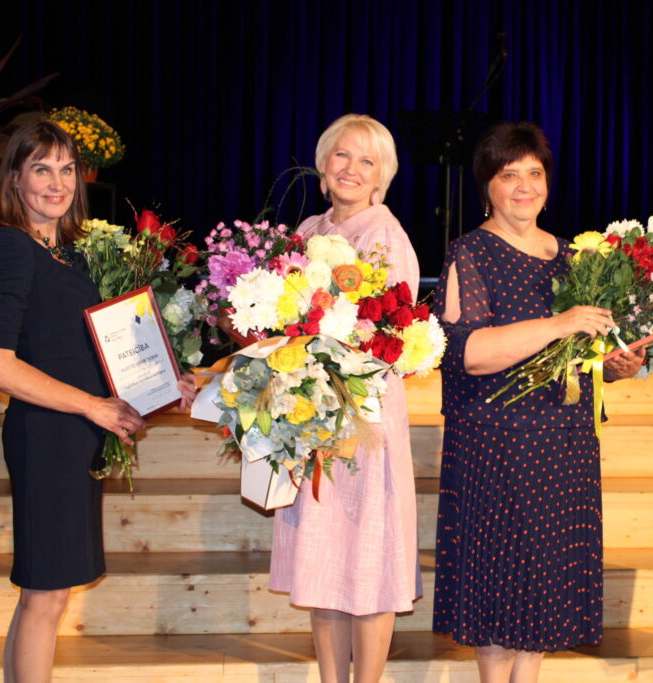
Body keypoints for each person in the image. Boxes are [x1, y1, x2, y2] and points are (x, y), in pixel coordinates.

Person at [0, 120, 194, 682]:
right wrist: (93, 407)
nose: (57, 183)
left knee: (45, 595)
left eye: (67, 169)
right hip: (47, 435)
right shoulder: (11, 246)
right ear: (15, 178)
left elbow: (88, 349)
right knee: (46, 595)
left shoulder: (70, 253)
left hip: (74, 435)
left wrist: (164, 384)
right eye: (41, 169)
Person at [431, 121, 645, 683]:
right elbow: (469, 354)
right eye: (509, 175)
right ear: (487, 186)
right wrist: (560, 322)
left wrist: (615, 365)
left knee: (542, 593)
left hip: (564, 443)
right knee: (500, 593)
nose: (524, 186)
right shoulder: (470, 252)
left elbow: (582, 351)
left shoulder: (573, 256)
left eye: (534, 173)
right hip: (497, 446)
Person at [268, 113, 421, 683]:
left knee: (368, 559)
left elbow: (389, 338)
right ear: (323, 164)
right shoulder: (308, 229)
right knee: (323, 559)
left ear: (382, 176)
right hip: (311, 413)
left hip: (362, 417)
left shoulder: (385, 235)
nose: (352, 169)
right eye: (342, 155)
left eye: (367, 160)